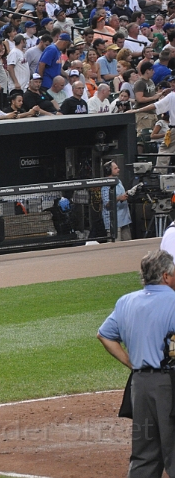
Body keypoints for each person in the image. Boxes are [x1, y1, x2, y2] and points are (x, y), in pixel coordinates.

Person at [97, 249, 175, 478]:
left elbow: (104, 335)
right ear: (165, 276)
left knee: (144, 454)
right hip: (169, 384)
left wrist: (133, 364)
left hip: (139, 384)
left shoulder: (126, 302)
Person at [101, 160, 133, 241]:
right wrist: (119, 198)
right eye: (115, 168)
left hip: (125, 220)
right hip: (114, 224)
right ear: (109, 171)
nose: (118, 169)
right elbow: (107, 204)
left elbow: (121, 196)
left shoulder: (119, 181)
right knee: (115, 247)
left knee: (128, 245)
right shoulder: (105, 186)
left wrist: (127, 194)